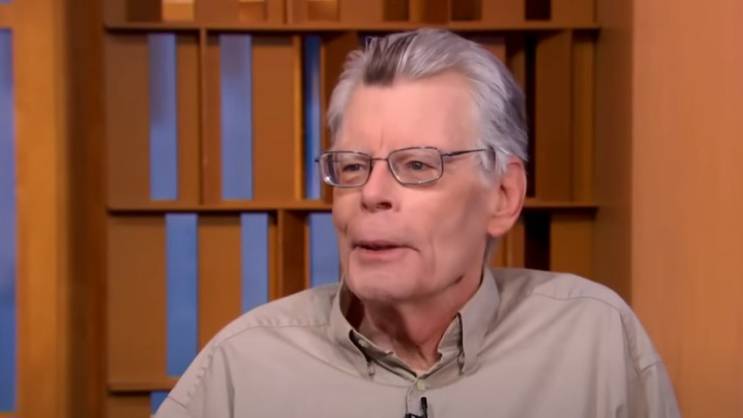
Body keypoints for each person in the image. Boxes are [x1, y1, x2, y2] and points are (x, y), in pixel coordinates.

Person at [155, 29, 680, 418]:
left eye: (417, 166)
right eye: (353, 167)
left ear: (503, 196)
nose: (372, 194)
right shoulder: (242, 367)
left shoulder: (595, 341)